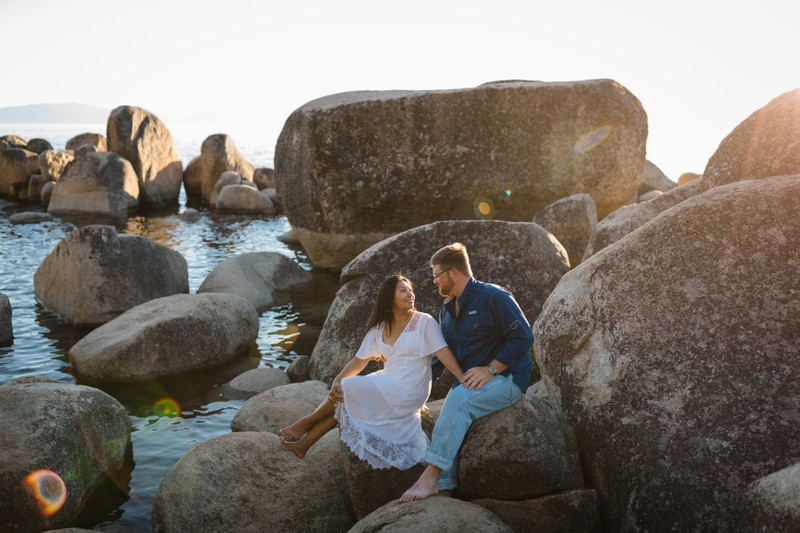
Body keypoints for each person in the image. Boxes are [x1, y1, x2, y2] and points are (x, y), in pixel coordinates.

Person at [279, 274, 464, 469]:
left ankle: (306, 422)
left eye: (411, 290)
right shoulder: (379, 328)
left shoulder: (423, 321)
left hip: (411, 388)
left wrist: (461, 377)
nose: (410, 294)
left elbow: (442, 351)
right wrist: (336, 380)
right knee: (344, 393)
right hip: (389, 381)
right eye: (403, 290)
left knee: (348, 387)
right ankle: (303, 445)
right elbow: (360, 360)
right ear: (388, 297)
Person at [400, 242, 534, 501]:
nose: (434, 281)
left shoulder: (494, 297)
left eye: (437, 275)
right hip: (471, 384)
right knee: (452, 406)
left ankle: (429, 478)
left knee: (459, 403)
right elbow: (443, 355)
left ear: (453, 273)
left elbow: (524, 337)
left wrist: (491, 369)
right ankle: (446, 487)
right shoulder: (447, 310)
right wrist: (411, 384)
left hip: (508, 378)